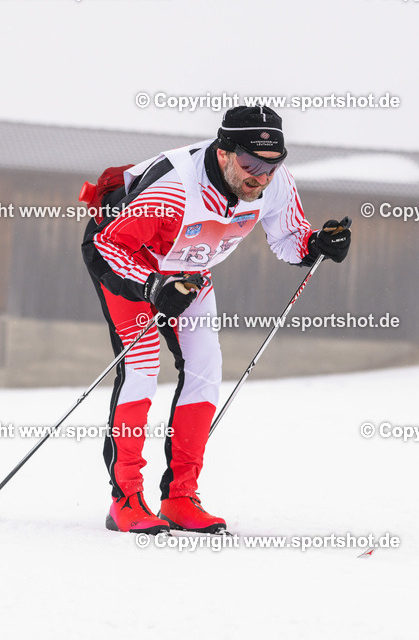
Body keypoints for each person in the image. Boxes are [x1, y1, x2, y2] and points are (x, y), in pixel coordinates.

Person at [81, 106, 351, 534]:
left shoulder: (273, 184)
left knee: (206, 368)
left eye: (272, 165)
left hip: (189, 271)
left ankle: (180, 497)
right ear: (224, 153)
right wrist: (151, 288)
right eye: (250, 164)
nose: (260, 177)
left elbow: (288, 238)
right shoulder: (173, 188)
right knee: (142, 367)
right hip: (132, 264)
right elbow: (106, 249)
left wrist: (317, 244)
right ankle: (126, 499)